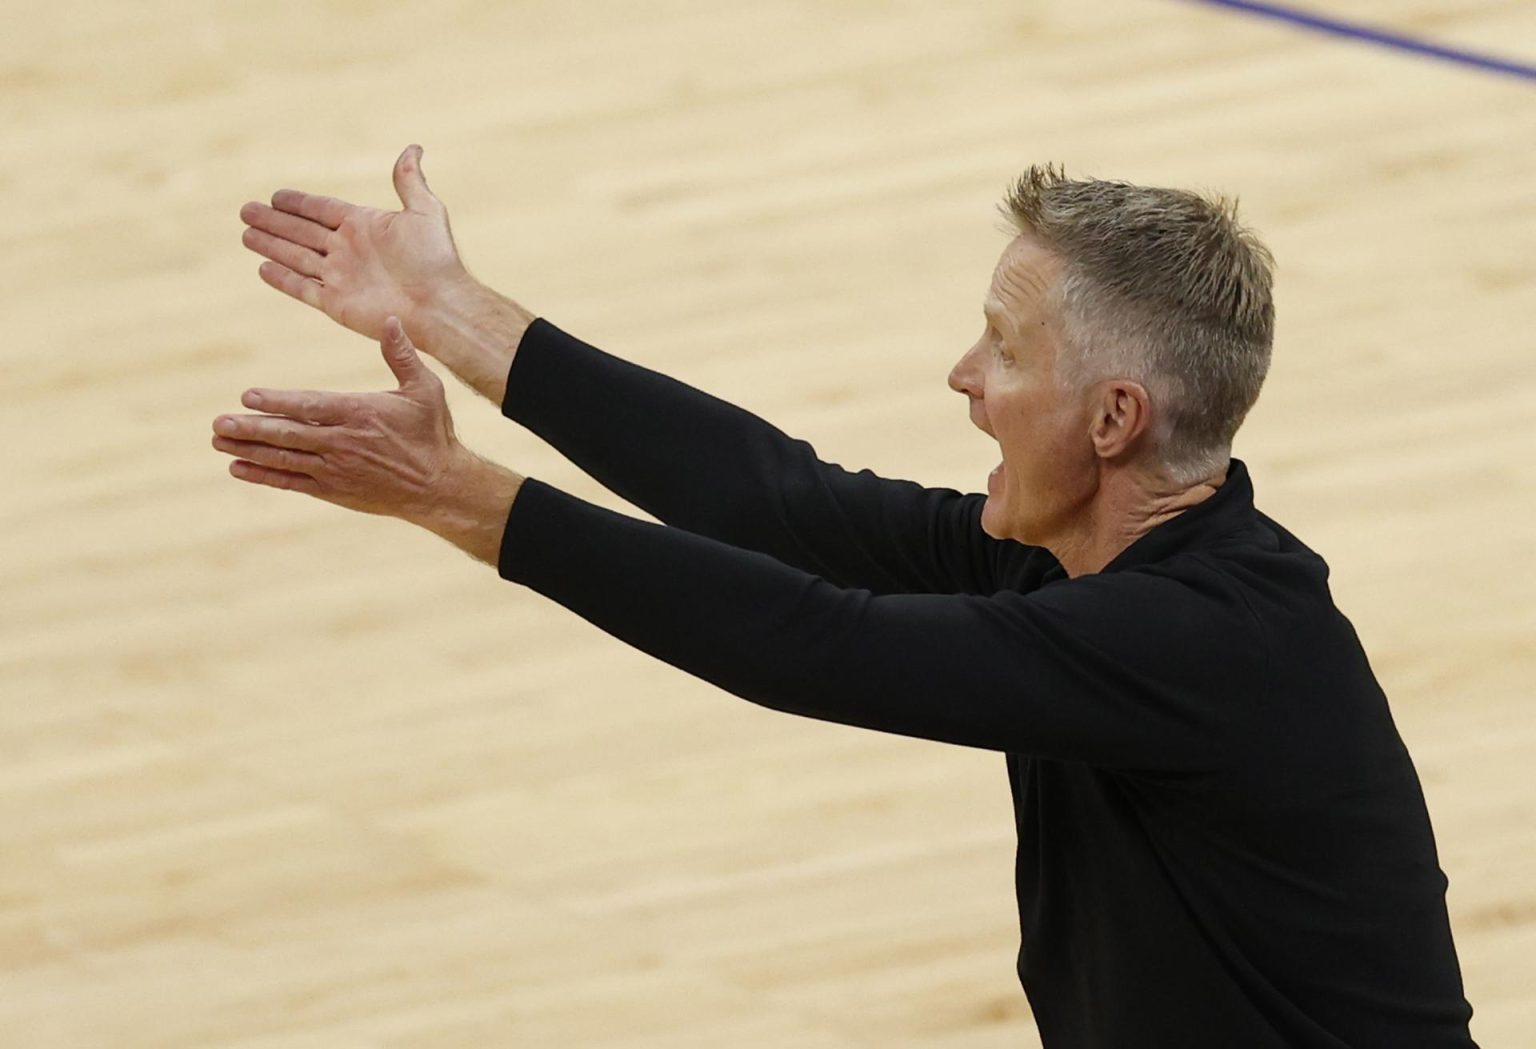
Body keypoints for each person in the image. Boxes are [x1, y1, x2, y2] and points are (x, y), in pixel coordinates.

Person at [217, 145, 1480, 1048]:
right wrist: (448, 308)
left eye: (1005, 344)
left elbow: (815, 644)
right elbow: (779, 502)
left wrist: (456, 496)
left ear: (1113, 418)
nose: (963, 375)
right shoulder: (1076, 561)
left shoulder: (1210, 641)